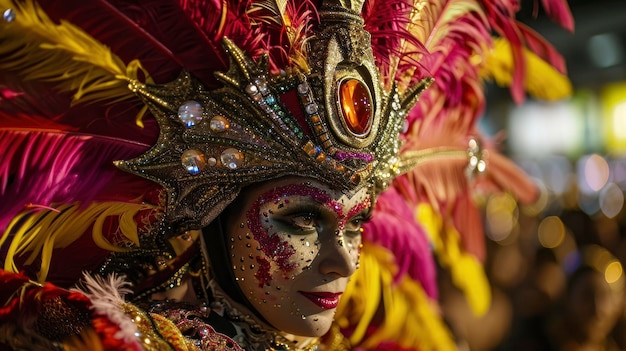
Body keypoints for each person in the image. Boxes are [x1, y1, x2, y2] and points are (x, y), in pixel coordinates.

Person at [0, 0, 573, 350]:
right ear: (214, 212)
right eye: (302, 218)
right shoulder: (100, 339)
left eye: (355, 223)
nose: (344, 260)